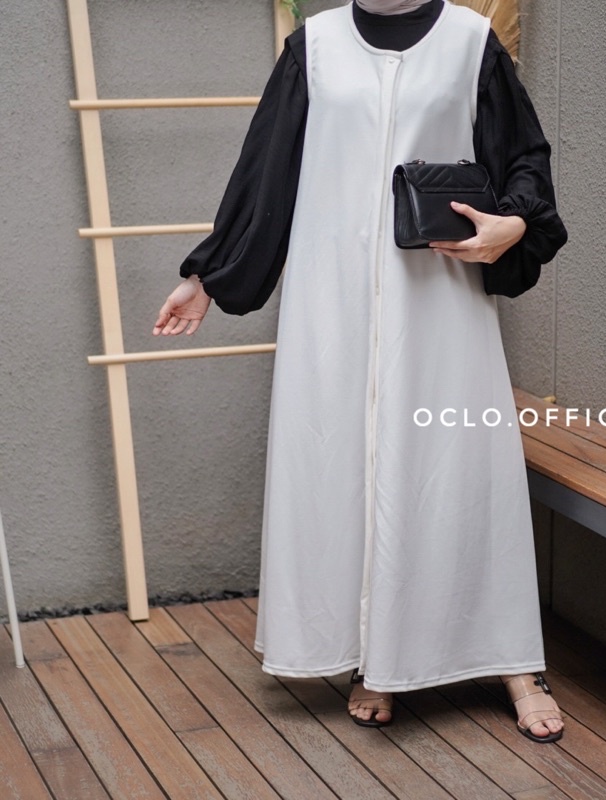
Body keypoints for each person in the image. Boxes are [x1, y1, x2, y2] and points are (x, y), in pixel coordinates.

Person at [154, 0, 568, 742]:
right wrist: (207, 276)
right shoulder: (314, 48)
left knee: (463, 473)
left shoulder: (470, 42)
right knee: (340, 470)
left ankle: (515, 662)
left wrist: (514, 223)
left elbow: (523, 160)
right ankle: (375, 658)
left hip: (441, 300)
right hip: (331, 304)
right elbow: (266, 175)